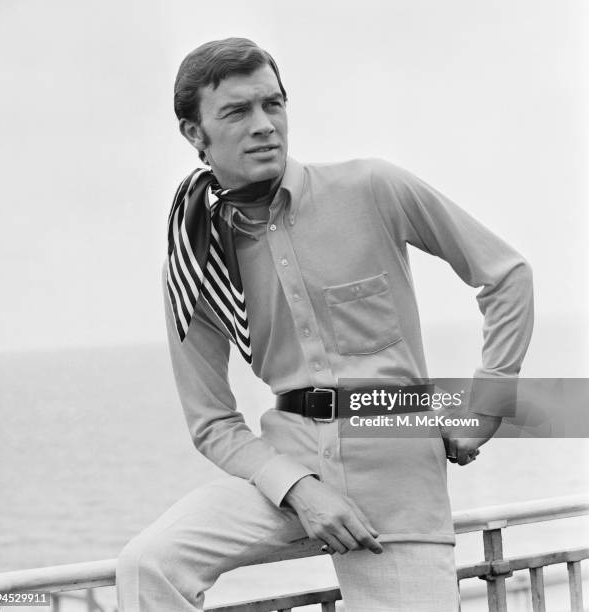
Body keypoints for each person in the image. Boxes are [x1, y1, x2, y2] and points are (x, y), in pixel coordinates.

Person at [115, 37, 533, 611]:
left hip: (398, 485)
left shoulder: (373, 188)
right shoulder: (196, 259)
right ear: (194, 134)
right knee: (147, 564)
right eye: (237, 111)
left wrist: (484, 408)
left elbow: (506, 275)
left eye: (274, 104)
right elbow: (212, 421)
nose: (264, 125)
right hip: (286, 475)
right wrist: (298, 490)